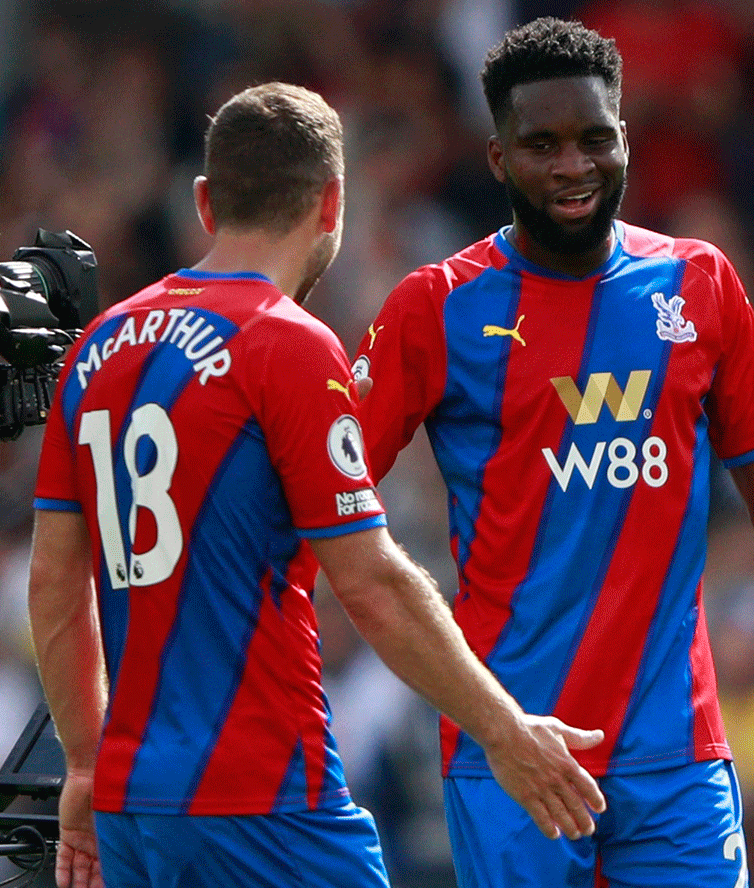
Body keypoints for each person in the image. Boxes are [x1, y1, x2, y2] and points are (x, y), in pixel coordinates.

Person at [351, 18, 754, 887]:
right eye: (541, 144)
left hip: (676, 756)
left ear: (625, 135)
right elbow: (324, 488)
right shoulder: (438, 307)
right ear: (499, 158)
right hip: (515, 754)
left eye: (594, 138)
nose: (572, 165)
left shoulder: (698, 284)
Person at [26, 81, 605, 888]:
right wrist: (503, 730)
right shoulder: (286, 343)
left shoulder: (100, 346)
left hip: (132, 805)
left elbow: (55, 578)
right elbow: (369, 583)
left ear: (204, 202)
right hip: (264, 797)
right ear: (333, 203)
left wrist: (84, 766)